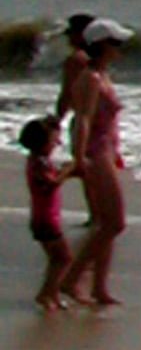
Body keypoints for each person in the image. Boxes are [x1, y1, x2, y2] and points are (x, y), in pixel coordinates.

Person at [64, 17, 128, 310]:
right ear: (102, 45)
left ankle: (99, 287)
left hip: (106, 149)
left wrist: (116, 151)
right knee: (114, 222)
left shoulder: (103, 75)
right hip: (95, 151)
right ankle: (72, 279)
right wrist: (79, 158)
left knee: (105, 223)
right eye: (116, 43)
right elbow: (84, 119)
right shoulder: (90, 78)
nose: (120, 49)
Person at [20, 116, 79, 313]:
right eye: (54, 141)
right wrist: (68, 170)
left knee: (56, 259)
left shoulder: (39, 161)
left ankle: (52, 293)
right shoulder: (39, 163)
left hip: (45, 218)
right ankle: (45, 293)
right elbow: (51, 184)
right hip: (45, 220)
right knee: (64, 258)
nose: (57, 144)